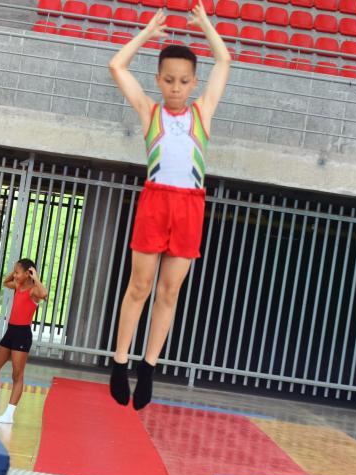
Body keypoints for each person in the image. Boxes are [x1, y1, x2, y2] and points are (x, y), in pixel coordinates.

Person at [107, 6, 230, 410]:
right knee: (139, 287)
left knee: (169, 291)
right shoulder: (150, 112)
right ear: (159, 80)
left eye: (184, 81)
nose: (176, 87)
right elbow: (116, 65)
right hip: (156, 200)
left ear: (194, 82)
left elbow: (224, 60)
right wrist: (147, 31)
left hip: (190, 206)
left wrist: (206, 26)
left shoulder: (202, 113)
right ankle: (119, 361)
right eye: (169, 80)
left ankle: (149, 365)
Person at [0, 259, 47, 424]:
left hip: (22, 334)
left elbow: (44, 294)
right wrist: (16, 272)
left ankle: (9, 414)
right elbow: (6, 282)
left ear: (28, 273)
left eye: (18, 272)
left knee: (17, 375)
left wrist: (36, 277)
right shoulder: (18, 286)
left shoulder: (34, 290)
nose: (15, 275)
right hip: (11, 331)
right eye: (15, 272)